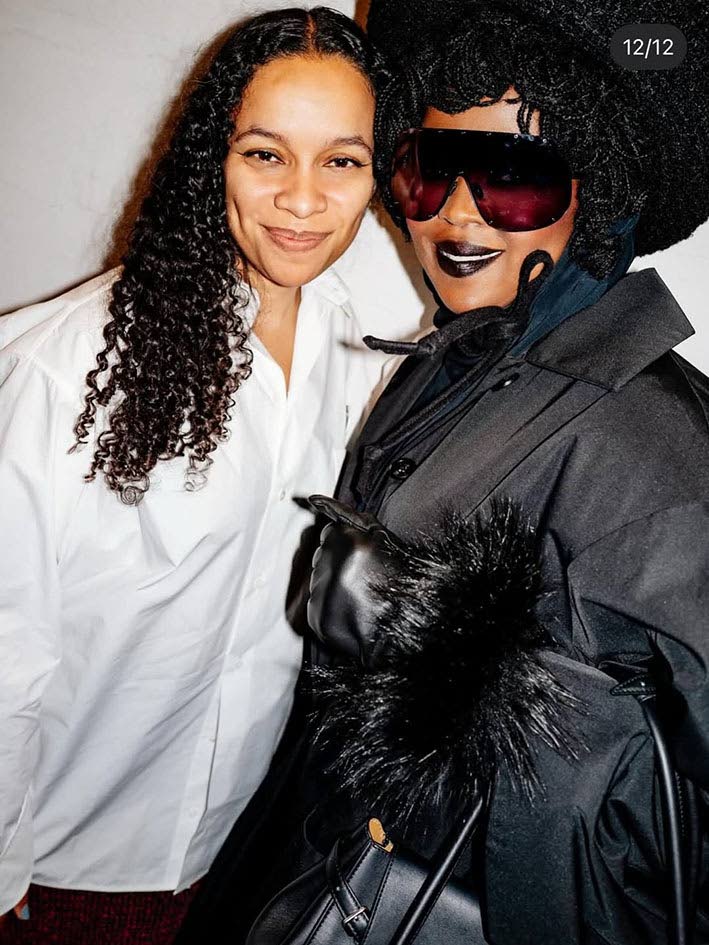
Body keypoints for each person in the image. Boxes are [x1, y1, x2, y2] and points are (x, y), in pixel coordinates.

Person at [179, 0, 709, 942]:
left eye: (515, 179)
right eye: (429, 173)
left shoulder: (644, 440)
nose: (457, 215)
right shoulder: (450, 366)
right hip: (322, 864)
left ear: (601, 194)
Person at [0, 8, 389, 943]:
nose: (302, 199)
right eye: (265, 154)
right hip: (55, 878)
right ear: (211, 158)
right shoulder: (61, 370)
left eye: (340, 160)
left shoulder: (364, 361)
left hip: (239, 869)